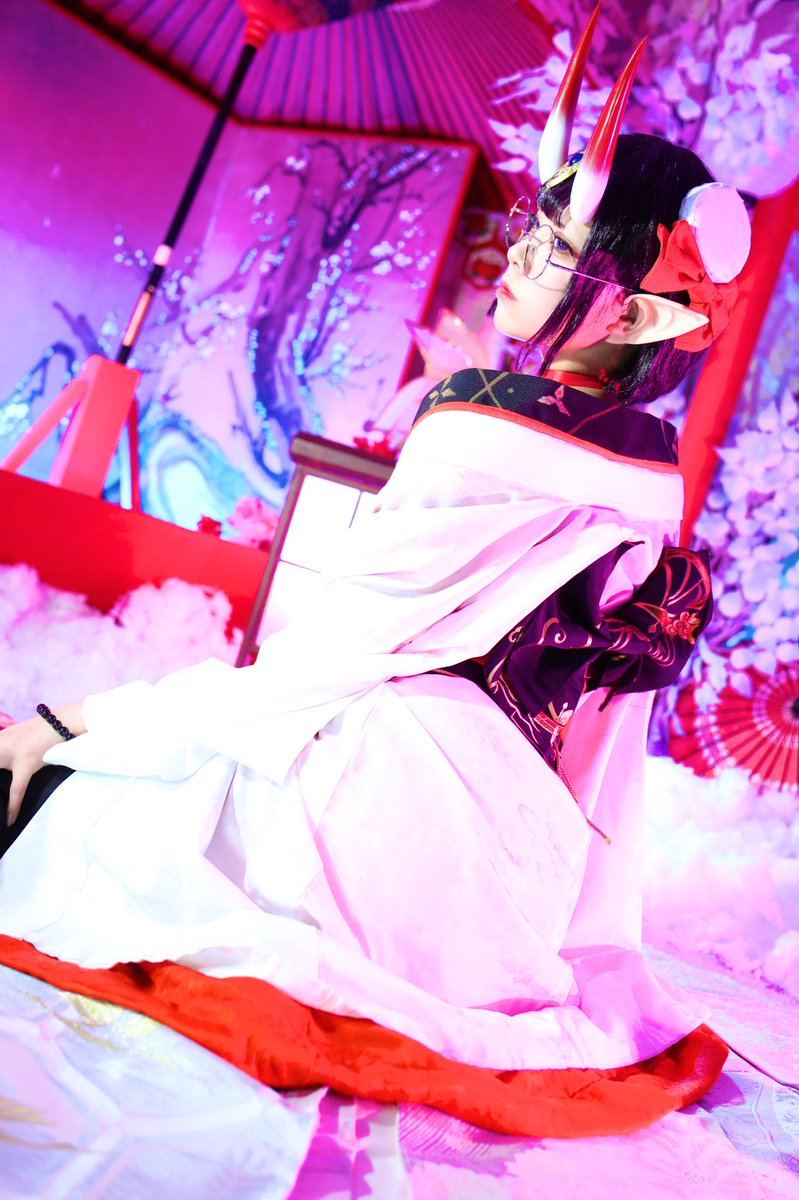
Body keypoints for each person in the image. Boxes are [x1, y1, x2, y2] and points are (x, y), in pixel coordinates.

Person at [0, 19, 751, 1128]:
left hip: (389, 806)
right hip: (517, 870)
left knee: (83, 802)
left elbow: (321, 657)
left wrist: (96, 719)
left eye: (553, 250)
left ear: (637, 313)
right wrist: (585, 932)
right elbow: (600, 755)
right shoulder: (653, 474)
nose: (516, 261)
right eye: (530, 231)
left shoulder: (480, 422)